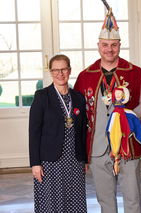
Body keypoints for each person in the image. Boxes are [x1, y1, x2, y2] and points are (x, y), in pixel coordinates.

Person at [73, 5, 141, 213]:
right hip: (98, 148)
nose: (109, 50)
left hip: (128, 145)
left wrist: (136, 126)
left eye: (113, 45)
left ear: (120, 46)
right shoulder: (85, 76)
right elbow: (78, 118)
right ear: (98, 46)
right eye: (105, 45)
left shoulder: (134, 73)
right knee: (104, 199)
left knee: (132, 197)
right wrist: (80, 151)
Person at [29, 54, 87, 212]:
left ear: (69, 70)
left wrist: (84, 159)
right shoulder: (42, 97)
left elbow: (82, 130)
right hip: (50, 161)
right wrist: (35, 163)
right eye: (55, 70)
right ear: (50, 72)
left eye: (63, 69)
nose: (60, 73)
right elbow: (34, 132)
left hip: (74, 160)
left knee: (75, 202)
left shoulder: (78, 97)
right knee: (52, 203)